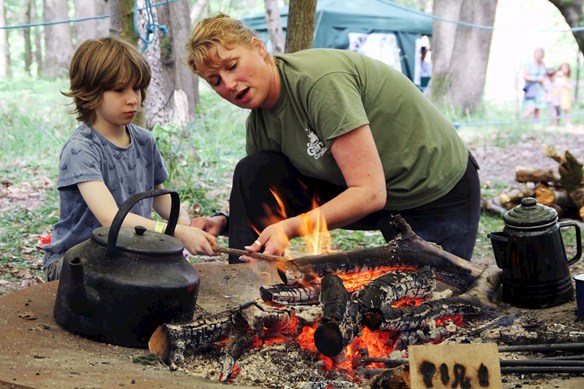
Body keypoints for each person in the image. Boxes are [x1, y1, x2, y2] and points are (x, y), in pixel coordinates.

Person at [187, 13, 481, 263]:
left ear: (259, 48)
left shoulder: (319, 84)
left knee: (424, 305)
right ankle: (246, 286)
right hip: (371, 197)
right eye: (215, 81)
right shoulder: (260, 124)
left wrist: (290, 228)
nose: (229, 84)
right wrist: (224, 220)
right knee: (255, 169)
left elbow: (370, 193)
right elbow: (264, 194)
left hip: (434, 193)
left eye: (232, 65)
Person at [42, 37, 217, 281]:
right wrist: (173, 231)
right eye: (119, 90)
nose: (133, 98)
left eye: (137, 88)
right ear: (90, 91)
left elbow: (158, 194)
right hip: (76, 262)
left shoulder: (144, 140)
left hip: (126, 253)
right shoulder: (81, 149)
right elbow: (110, 218)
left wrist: (185, 224)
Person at [521, 48, 547, 120]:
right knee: (531, 108)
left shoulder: (543, 65)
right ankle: (520, 121)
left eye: (541, 53)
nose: (539, 55)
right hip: (531, 88)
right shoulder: (529, 64)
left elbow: (545, 76)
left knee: (537, 108)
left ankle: (535, 125)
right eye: (538, 53)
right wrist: (537, 79)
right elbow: (525, 76)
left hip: (540, 89)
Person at [556, 63, 573, 127]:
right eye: (563, 68)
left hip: (566, 94)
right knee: (557, 110)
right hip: (560, 94)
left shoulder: (567, 77)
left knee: (567, 110)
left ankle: (568, 123)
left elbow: (569, 87)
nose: (565, 69)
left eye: (566, 68)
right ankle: (556, 124)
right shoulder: (559, 76)